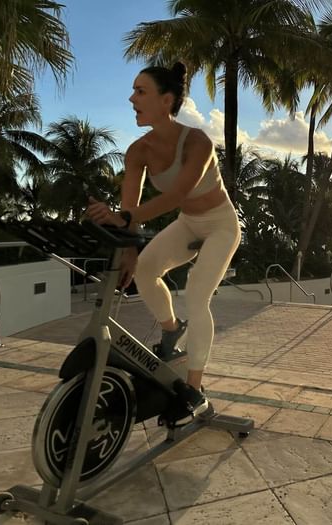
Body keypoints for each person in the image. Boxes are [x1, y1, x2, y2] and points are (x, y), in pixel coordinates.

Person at [86, 62, 241, 423]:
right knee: (145, 271)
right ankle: (173, 332)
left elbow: (177, 193)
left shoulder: (198, 141)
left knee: (197, 294)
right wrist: (127, 250)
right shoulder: (137, 151)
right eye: (133, 90)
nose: (131, 98)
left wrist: (125, 219)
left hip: (220, 224)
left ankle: (195, 391)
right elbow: (129, 209)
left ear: (166, 99)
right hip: (188, 223)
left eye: (140, 91)